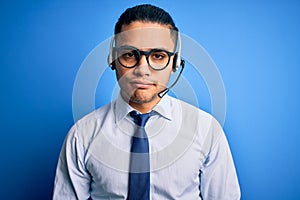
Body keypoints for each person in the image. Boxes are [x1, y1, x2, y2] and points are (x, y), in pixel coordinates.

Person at [52, 4, 240, 200]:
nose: (143, 69)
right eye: (129, 54)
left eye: (158, 56)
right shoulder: (81, 135)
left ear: (175, 63)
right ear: (113, 59)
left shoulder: (206, 130)